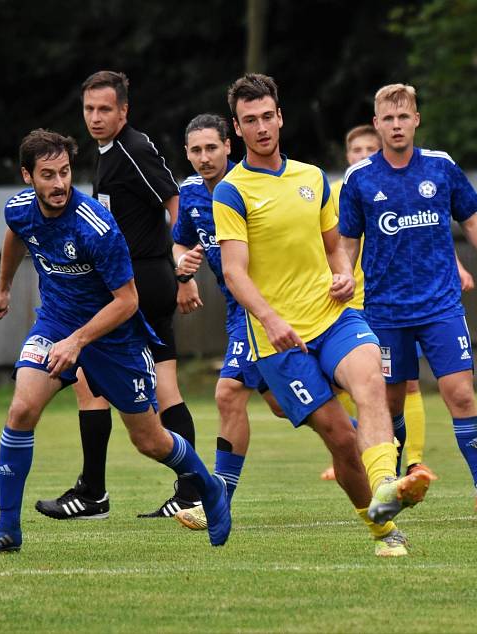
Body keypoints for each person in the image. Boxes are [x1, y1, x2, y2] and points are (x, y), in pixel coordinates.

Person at [0, 129, 230, 553]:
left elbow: (128, 302)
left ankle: (208, 486)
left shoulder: (96, 227)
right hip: (54, 322)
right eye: (48, 175)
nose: (58, 184)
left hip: (114, 337)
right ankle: (7, 529)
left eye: (65, 173)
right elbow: (17, 234)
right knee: (21, 410)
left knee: (150, 441)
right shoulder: (18, 209)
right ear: (27, 176)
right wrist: (3, 287)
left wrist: (78, 342)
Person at [212, 74, 435, 557]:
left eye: (268, 116)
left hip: (332, 315)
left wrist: (343, 275)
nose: (262, 127)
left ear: (280, 117)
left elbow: (336, 247)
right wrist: (270, 319)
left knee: (371, 381)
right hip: (276, 339)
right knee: (338, 435)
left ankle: (385, 488)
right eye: (250, 120)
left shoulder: (313, 178)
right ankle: (381, 530)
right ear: (237, 128)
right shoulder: (231, 192)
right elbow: (234, 273)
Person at [339, 83, 477, 514]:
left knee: (459, 393)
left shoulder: (440, 168)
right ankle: (394, 485)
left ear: (416, 119)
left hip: (440, 305)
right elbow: (347, 241)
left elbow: (473, 225)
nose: (397, 125)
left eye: (404, 117)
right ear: (378, 122)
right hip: (384, 311)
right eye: (388, 118)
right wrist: (344, 275)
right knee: (390, 402)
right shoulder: (360, 178)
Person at [35, 71, 202, 520]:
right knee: (163, 385)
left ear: (123, 111)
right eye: (89, 109)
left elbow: (175, 203)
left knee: (89, 381)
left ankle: (94, 494)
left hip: (140, 284)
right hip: (142, 281)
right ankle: (191, 491)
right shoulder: (108, 152)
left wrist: (183, 269)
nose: (95, 117)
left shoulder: (133, 148)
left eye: (105, 109)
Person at [321, 124, 475, 481]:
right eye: (355, 150)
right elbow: (327, 245)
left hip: (389, 299)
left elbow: (425, 233)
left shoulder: (399, 180)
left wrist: (458, 265)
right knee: (349, 383)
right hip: (345, 299)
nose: (361, 156)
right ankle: (363, 450)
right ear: (347, 155)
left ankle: (413, 460)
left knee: (406, 384)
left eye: (367, 149)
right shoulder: (335, 191)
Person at [168, 113, 284, 530]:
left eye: (211, 148)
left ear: (228, 147)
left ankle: (217, 501)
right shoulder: (191, 194)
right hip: (240, 312)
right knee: (284, 405)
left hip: (272, 306)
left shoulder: (251, 187)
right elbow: (181, 241)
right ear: (186, 153)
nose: (204, 157)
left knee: (228, 393)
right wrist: (184, 270)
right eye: (196, 150)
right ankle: (375, 443)